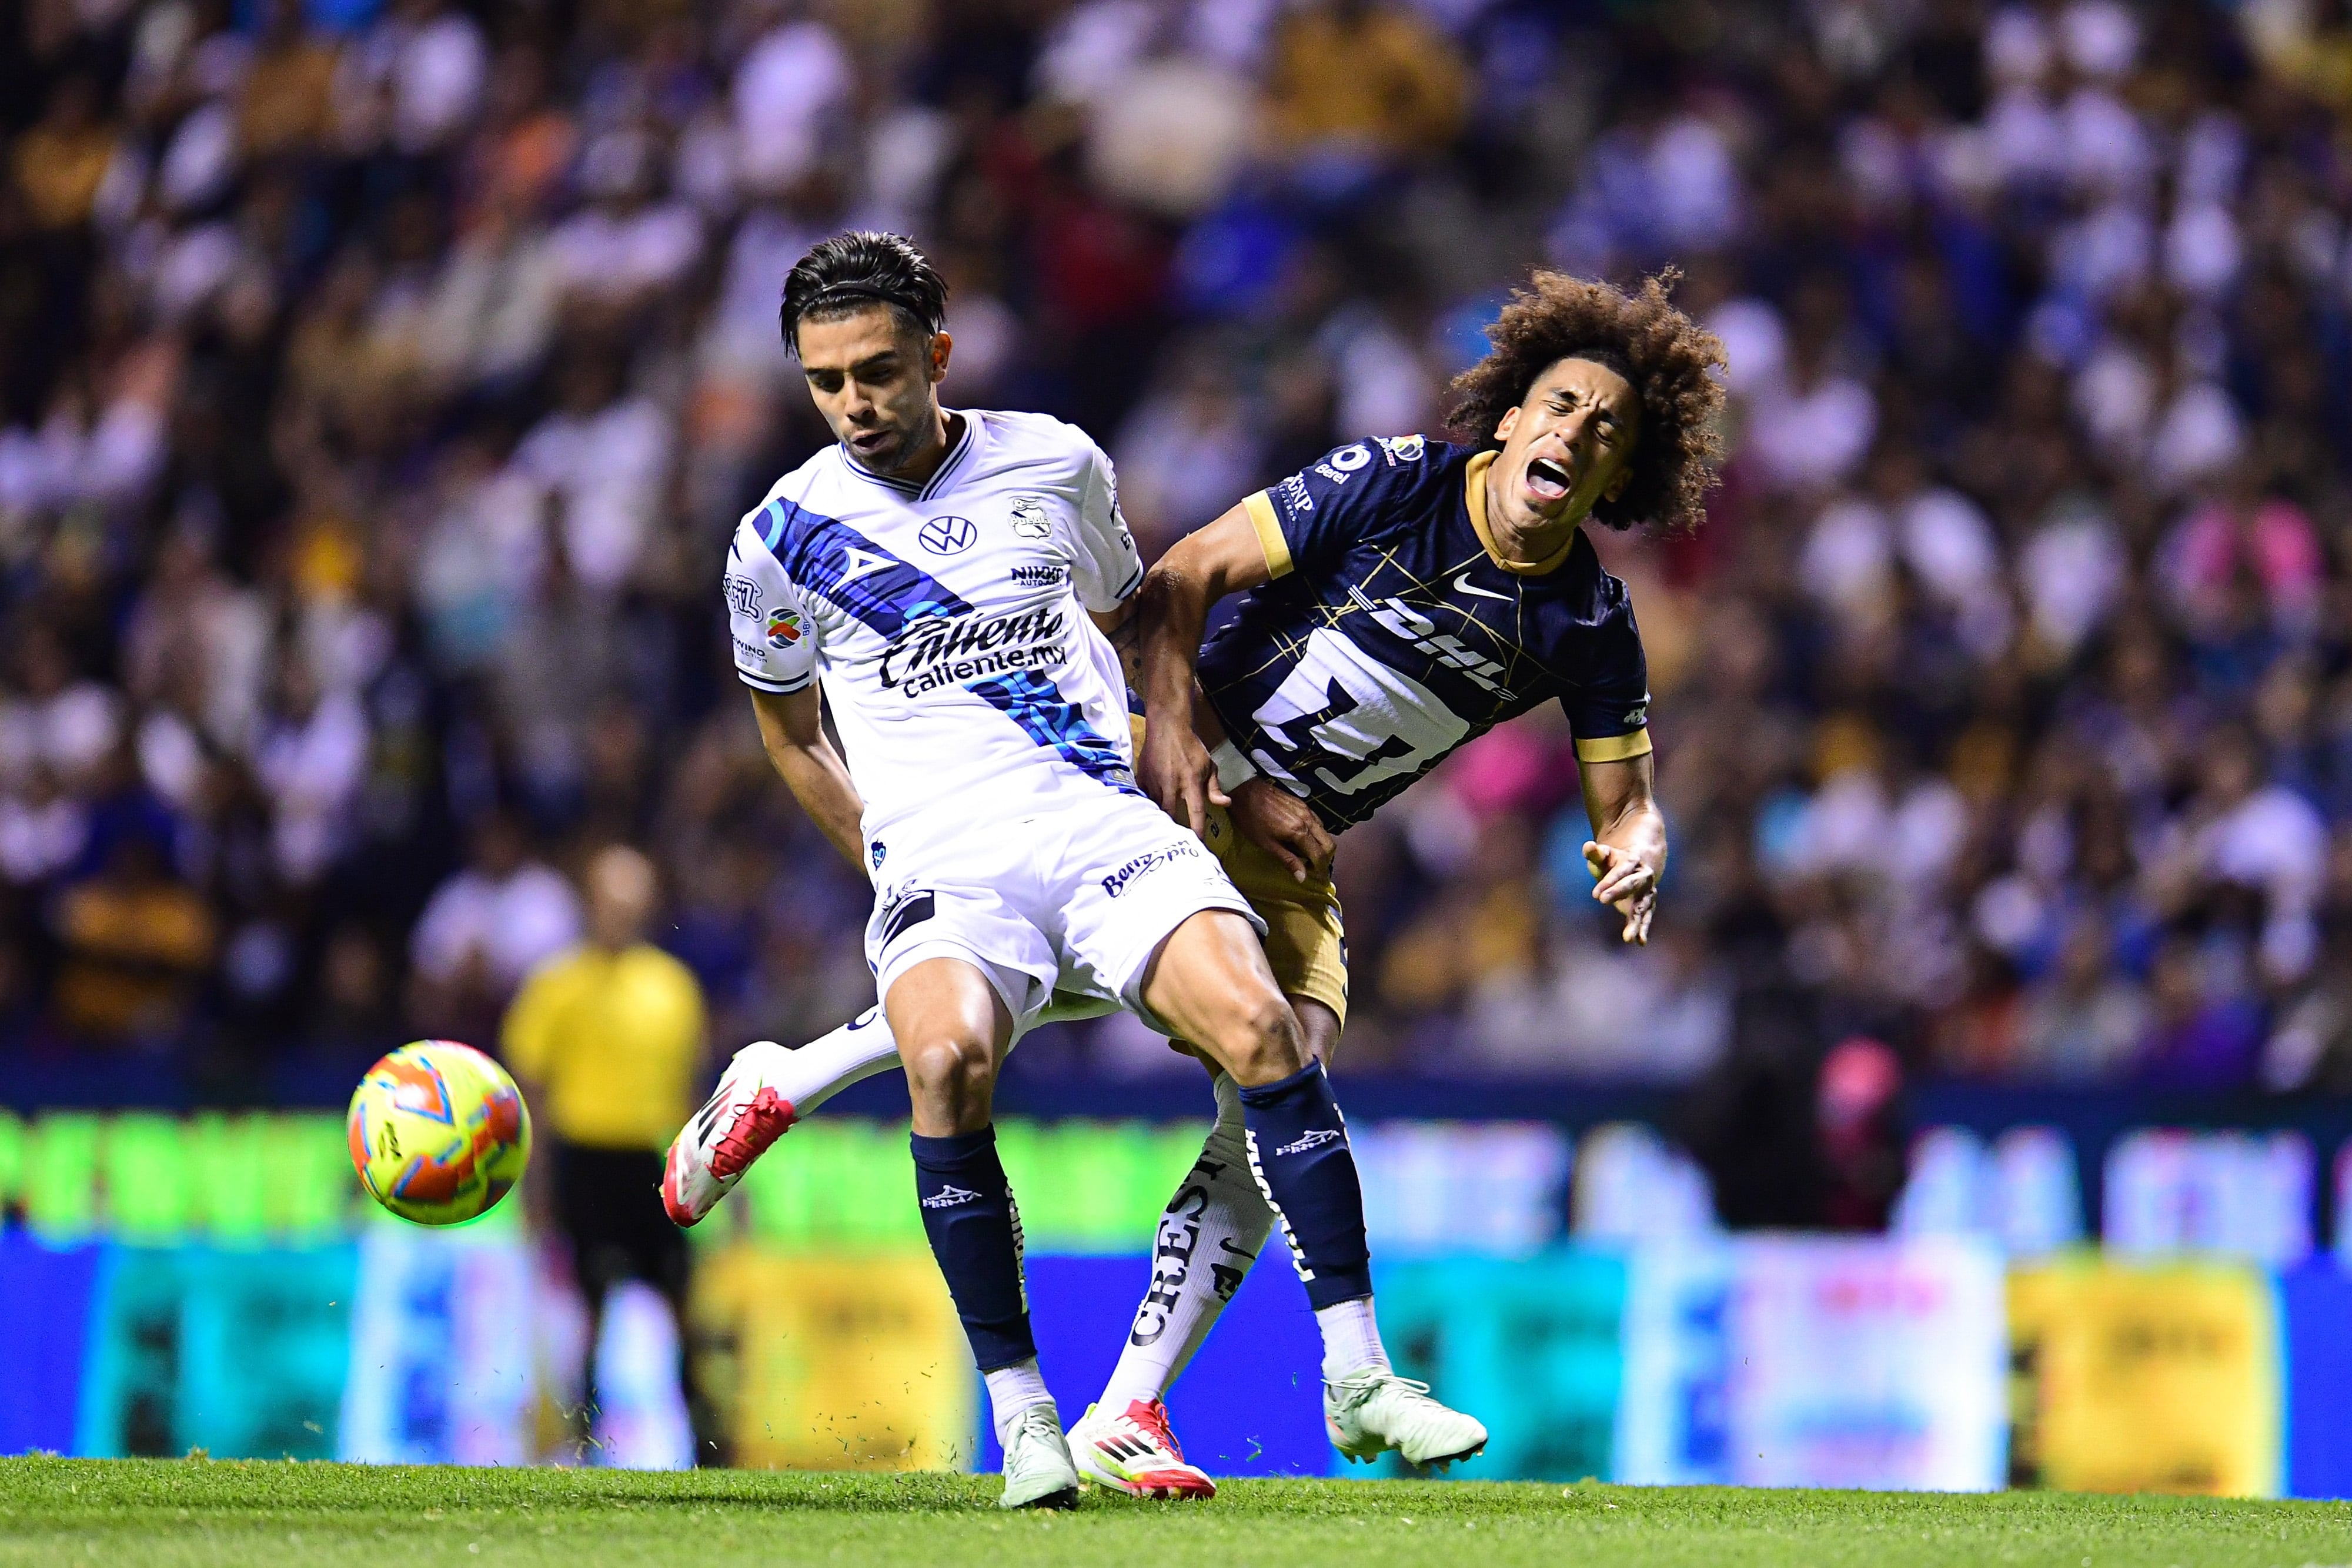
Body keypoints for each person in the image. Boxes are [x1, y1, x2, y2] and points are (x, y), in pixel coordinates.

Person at [669, 265, 1722, 1496]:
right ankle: (824, 1106)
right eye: (1558, 404)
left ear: (1624, 470)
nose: (1573, 433)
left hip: (1289, 844)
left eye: (1606, 427)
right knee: (996, 1013)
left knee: (1279, 1073)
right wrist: (1196, 751)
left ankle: (1125, 1402)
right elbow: (1174, 584)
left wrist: (1638, 841)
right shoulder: (1395, 480)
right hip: (1159, 765)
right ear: (1511, 414)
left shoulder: (1590, 621)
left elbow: (1624, 801)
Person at [500, 844, 717, 1462]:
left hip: (653, 1163)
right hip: (585, 1161)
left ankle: (708, 1445)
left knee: (683, 1305)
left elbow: (694, 1097)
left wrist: (724, 1179)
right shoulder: (555, 986)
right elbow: (533, 1098)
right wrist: (535, 1190)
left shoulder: (673, 988)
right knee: (585, 1313)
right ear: (589, 901)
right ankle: (580, 1443)